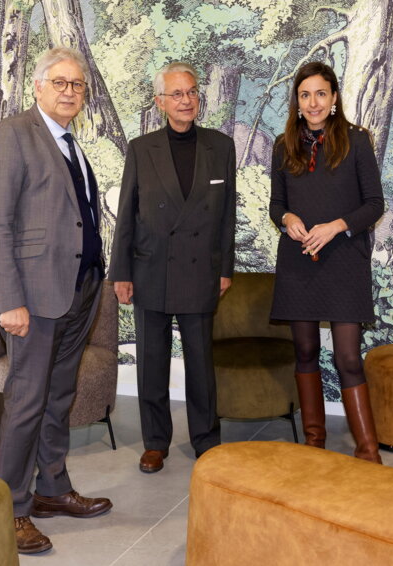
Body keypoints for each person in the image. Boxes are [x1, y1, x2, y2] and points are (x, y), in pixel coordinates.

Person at [0, 47, 112, 554]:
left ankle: (52, 489)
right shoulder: (12, 135)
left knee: (58, 397)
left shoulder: (72, 145)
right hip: (32, 299)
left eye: (77, 85)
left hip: (78, 293)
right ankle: (10, 509)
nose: (69, 91)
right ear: (38, 86)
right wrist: (8, 300)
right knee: (27, 400)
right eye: (59, 82)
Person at [108, 62, 236, 473]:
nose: (187, 101)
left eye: (192, 92)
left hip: (201, 270)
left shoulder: (221, 147)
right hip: (151, 269)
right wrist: (121, 273)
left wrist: (225, 267)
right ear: (160, 101)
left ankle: (205, 439)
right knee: (151, 359)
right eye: (177, 94)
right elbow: (126, 214)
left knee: (200, 361)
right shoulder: (141, 149)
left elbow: (227, 216)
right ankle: (156, 442)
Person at [269, 61, 385, 463]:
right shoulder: (283, 145)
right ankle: (314, 443)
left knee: (348, 358)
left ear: (334, 98)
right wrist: (288, 219)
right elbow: (276, 205)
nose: (313, 102)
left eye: (321, 93)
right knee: (304, 351)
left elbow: (374, 205)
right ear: (297, 102)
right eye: (305, 95)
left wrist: (336, 226)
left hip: (345, 262)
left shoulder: (357, 141)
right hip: (299, 262)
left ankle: (367, 450)